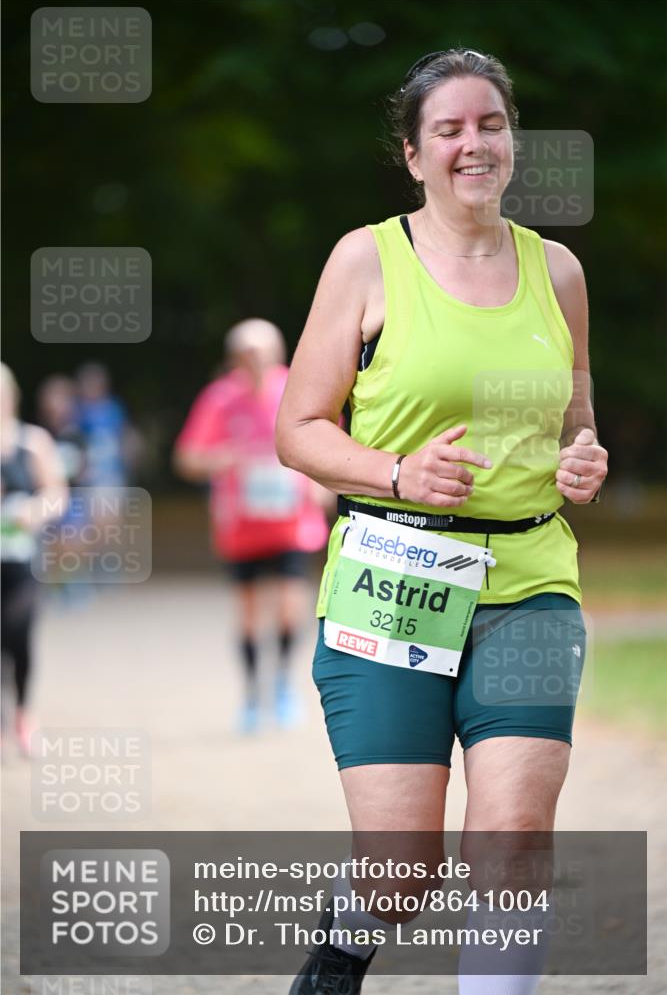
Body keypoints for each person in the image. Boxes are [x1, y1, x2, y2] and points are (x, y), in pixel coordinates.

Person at [276, 49, 608, 995]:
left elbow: (574, 413)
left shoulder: (559, 272)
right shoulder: (365, 258)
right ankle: (341, 953)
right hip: (394, 582)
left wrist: (581, 456)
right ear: (414, 155)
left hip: (529, 586)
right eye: (450, 129)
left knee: (510, 835)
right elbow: (296, 430)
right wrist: (395, 471)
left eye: (491, 124)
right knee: (400, 869)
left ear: (513, 141)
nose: (475, 143)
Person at [174, 319, 330, 733]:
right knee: (246, 613)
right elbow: (187, 457)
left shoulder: (297, 390)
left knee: (288, 605)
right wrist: (224, 459)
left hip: (292, 524)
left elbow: (328, 448)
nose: (253, 361)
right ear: (233, 358)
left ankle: (280, 684)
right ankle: (250, 693)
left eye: (260, 352)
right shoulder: (219, 398)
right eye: (244, 354)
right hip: (241, 524)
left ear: (277, 353)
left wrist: (321, 486)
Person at [1, 364, 68, 756]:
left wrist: (35, 510)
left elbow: (57, 494)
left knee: (19, 634)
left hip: (22, 560)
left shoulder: (33, 442)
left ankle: (25, 713)